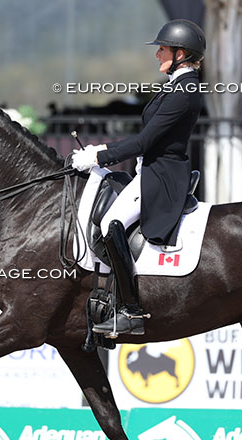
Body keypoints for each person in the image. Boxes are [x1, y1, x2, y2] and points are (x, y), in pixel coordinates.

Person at [71, 19, 205, 337]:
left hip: (161, 176)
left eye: (163, 49)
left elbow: (144, 142)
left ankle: (130, 310)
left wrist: (98, 157)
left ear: (181, 53)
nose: (157, 54)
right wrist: (102, 150)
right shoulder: (176, 86)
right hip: (150, 170)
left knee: (110, 224)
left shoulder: (183, 91)